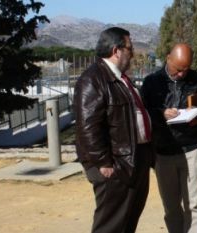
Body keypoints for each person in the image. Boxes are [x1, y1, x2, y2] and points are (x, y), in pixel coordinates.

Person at [73, 27, 152, 233]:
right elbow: (87, 127)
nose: (132, 52)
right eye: (129, 48)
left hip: (134, 160)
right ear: (117, 50)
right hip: (115, 166)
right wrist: (103, 162)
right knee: (110, 226)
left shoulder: (122, 78)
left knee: (127, 221)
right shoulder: (93, 79)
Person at [141, 44, 197, 233]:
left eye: (186, 69)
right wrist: (161, 113)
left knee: (195, 204)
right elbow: (142, 112)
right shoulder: (152, 82)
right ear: (168, 59)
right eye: (178, 69)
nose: (182, 74)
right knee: (171, 207)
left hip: (192, 149)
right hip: (164, 152)